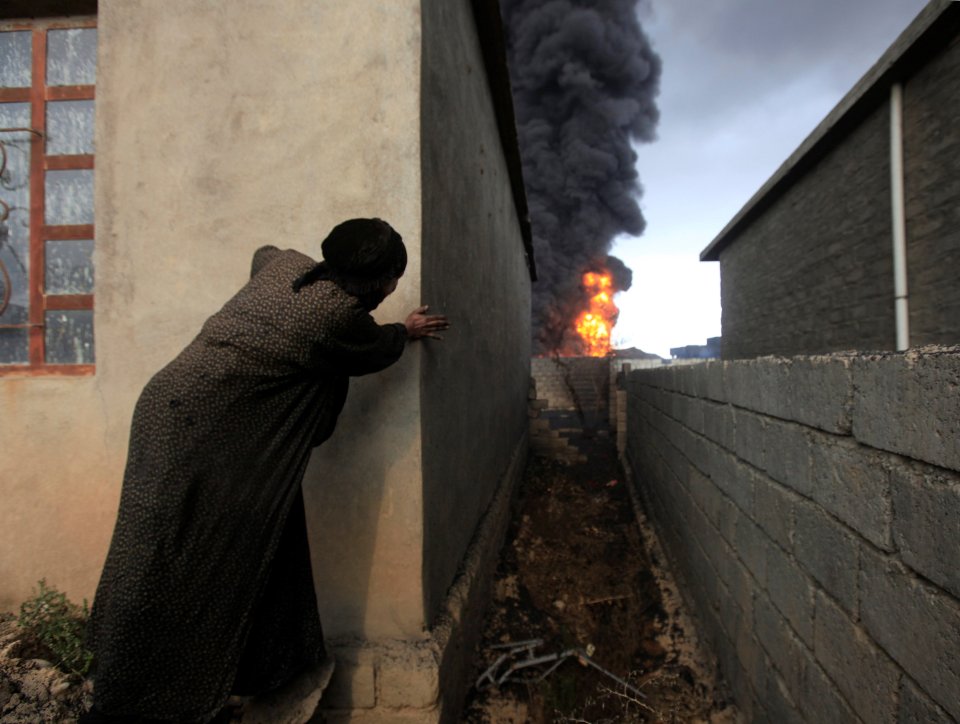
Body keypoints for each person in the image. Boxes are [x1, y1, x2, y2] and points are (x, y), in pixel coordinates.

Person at [81, 218, 448, 723]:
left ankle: (273, 667)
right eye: (389, 281)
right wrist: (403, 331)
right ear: (374, 284)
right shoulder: (336, 317)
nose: (389, 290)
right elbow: (375, 348)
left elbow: (262, 252)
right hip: (201, 435)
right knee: (174, 557)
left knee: (268, 532)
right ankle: (140, 697)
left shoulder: (288, 265)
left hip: (169, 406)